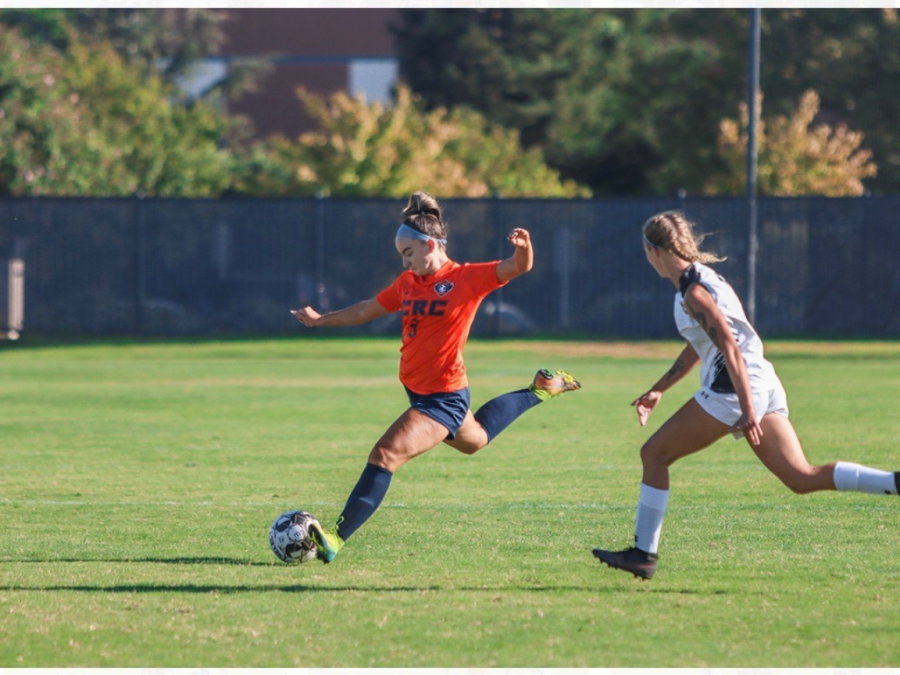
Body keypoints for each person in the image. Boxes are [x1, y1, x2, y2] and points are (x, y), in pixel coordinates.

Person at [592, 210, 899, 581]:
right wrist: (659, 389)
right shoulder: (700, 280)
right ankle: (893, 482)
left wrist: (749, 410)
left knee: (653, 454)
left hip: (736, 389)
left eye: (644, 251)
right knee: (801, 477)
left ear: (653, 250)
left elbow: (730, 348)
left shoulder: (694, 291)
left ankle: (643, 554)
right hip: (761, 379)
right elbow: (700, 345)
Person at [291, 190, 581, 563]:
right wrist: (321, 320)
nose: (405, 262)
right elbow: (366, 309)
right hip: (424, 393)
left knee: (385, 454)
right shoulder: (408, 283)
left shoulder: (466, 278)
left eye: (408, 253)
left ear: (431, 244)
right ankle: (540, 390)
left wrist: (524, 248)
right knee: (474, 440)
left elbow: (516, 268)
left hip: (441, 398)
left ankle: (336, 538)